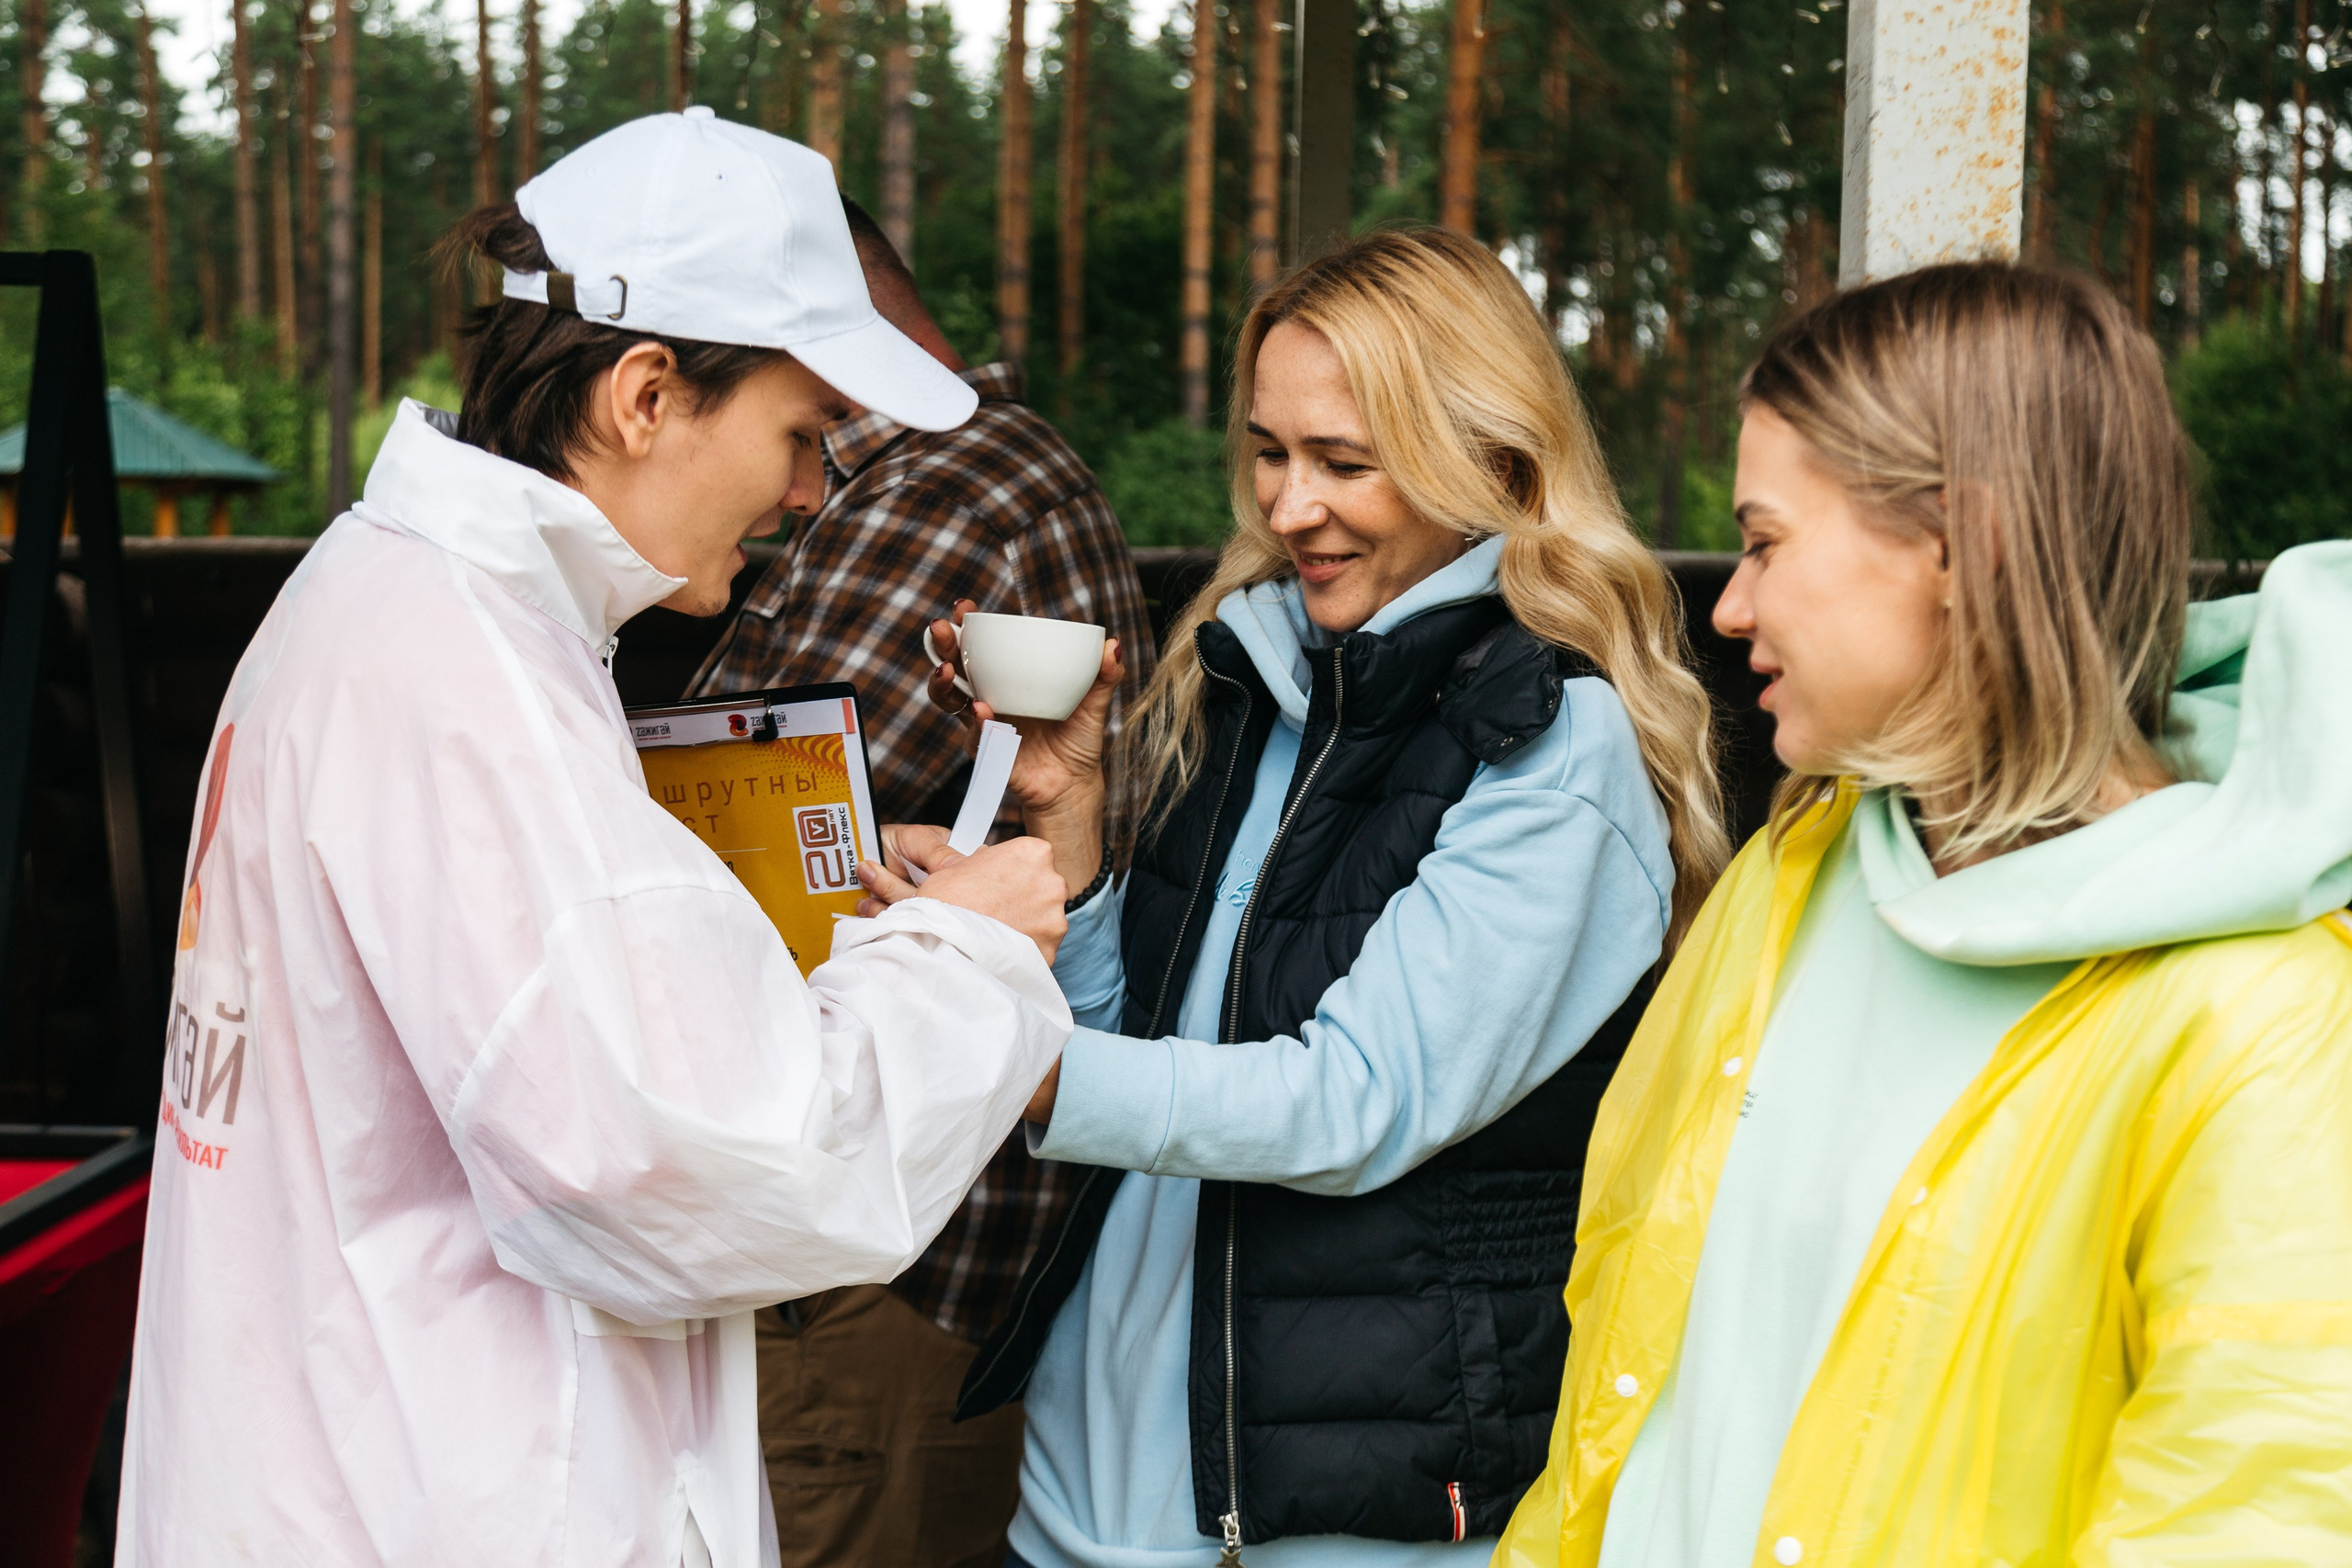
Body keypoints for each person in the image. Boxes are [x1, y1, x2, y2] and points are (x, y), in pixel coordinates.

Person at [116, 110, 1073, 1568]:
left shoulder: (384, 602)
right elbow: (708, 1166)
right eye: (801, 433)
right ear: (642, 394)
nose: (814, 491)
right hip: (438, 1503)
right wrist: (968, 950)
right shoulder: (470, 676)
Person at [882, 227, 1729, 1566]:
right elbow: (1152, 1055)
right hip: (1087, 1494)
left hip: (1332, 1521)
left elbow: (1352, 1103)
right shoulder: (1246, 672)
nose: (1286, 508)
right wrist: (1072, 840)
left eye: (1344, 461)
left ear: (1492, 463)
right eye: (1270, 452)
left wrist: (998, 1043)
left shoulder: (1552, 748)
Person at [1498, 264, 2352, 1568]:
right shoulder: (1796, 876)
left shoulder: (2267, 1015)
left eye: (1769, 540)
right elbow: (1632, 1387)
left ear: (1960, 545)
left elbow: (2250, 1517)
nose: (1730, 605)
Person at [689, 197, 1157, 1567]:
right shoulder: (941, 483)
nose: (783, 483)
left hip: (891, 1273)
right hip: (915, 1243)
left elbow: (739, 848)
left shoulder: (944, 492)